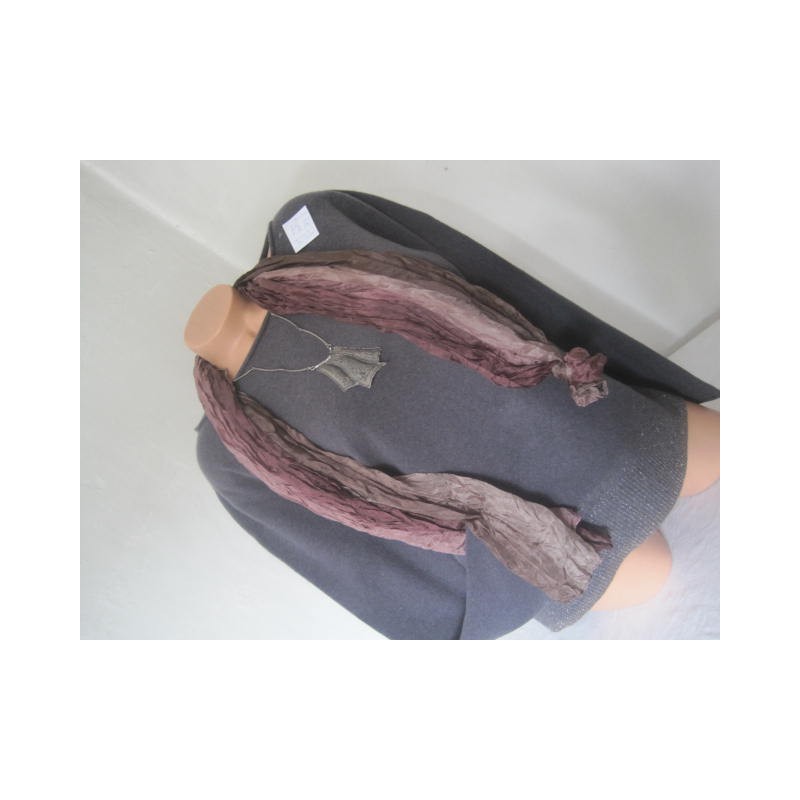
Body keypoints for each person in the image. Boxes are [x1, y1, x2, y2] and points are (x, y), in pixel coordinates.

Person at [186, 190, 719, 638]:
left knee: (718, 449)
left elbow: (502, 286)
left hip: (617, 426)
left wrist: (630, 371)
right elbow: (360, 564)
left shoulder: (317, 225)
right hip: (558, 546)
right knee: (657, 576)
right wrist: (477, 613)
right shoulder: (228, 452)